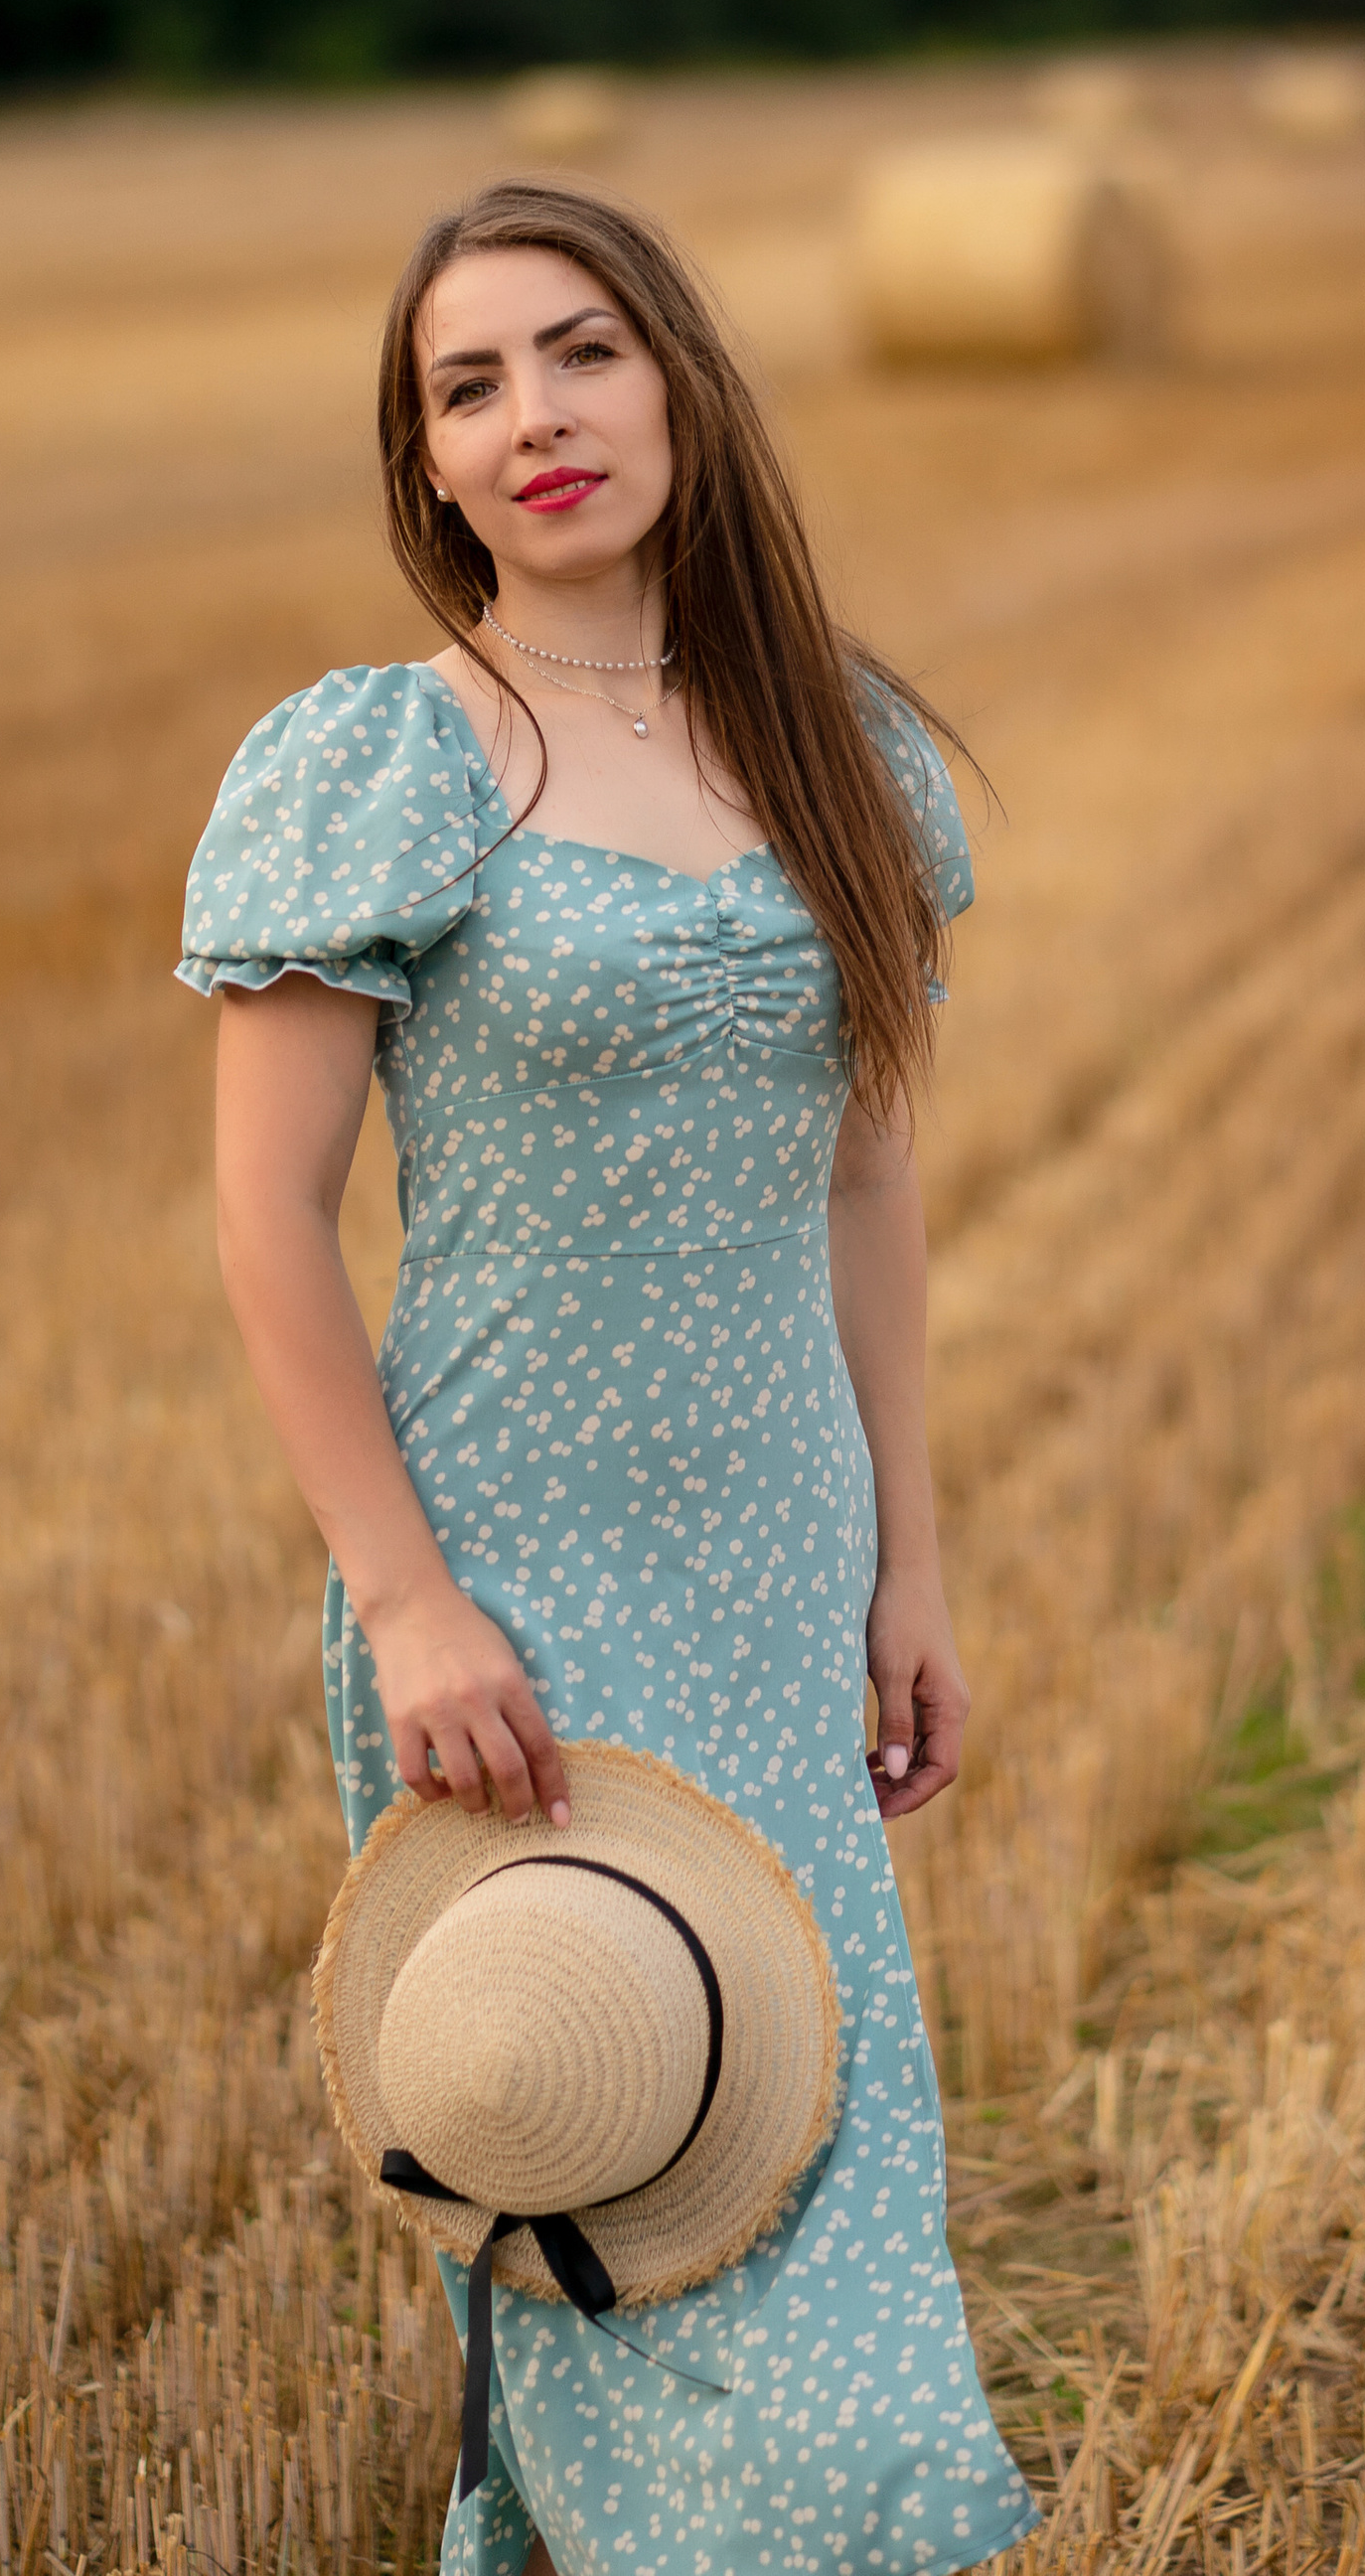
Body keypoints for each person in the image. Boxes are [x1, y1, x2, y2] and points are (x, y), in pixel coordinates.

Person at [181, 176, 1037, 2576]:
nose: (532, 417)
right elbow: (267, 1223)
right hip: (515, 1589)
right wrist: (410, 1606)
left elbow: (868, 1194)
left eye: (576, 353)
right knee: (615, 2170)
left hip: (778, 1571)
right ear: (424, 464)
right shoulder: (385, 764)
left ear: (674, 381)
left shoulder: (841, 750)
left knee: (819, 2177)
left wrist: (910, 1566)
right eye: (466, 386)